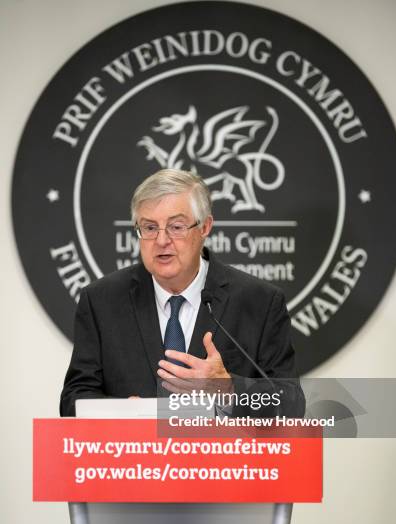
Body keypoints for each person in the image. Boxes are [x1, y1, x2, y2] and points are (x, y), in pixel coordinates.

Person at [60, 169, 304, 417]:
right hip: (133, 454)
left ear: (205, 227)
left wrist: (229, 389)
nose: (162, 240)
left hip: (225, 456)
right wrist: (118, 413)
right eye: (150, 227)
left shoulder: (259, 301)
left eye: (176, 226)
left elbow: (291, 404)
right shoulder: (102, 301)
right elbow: (73, 399)